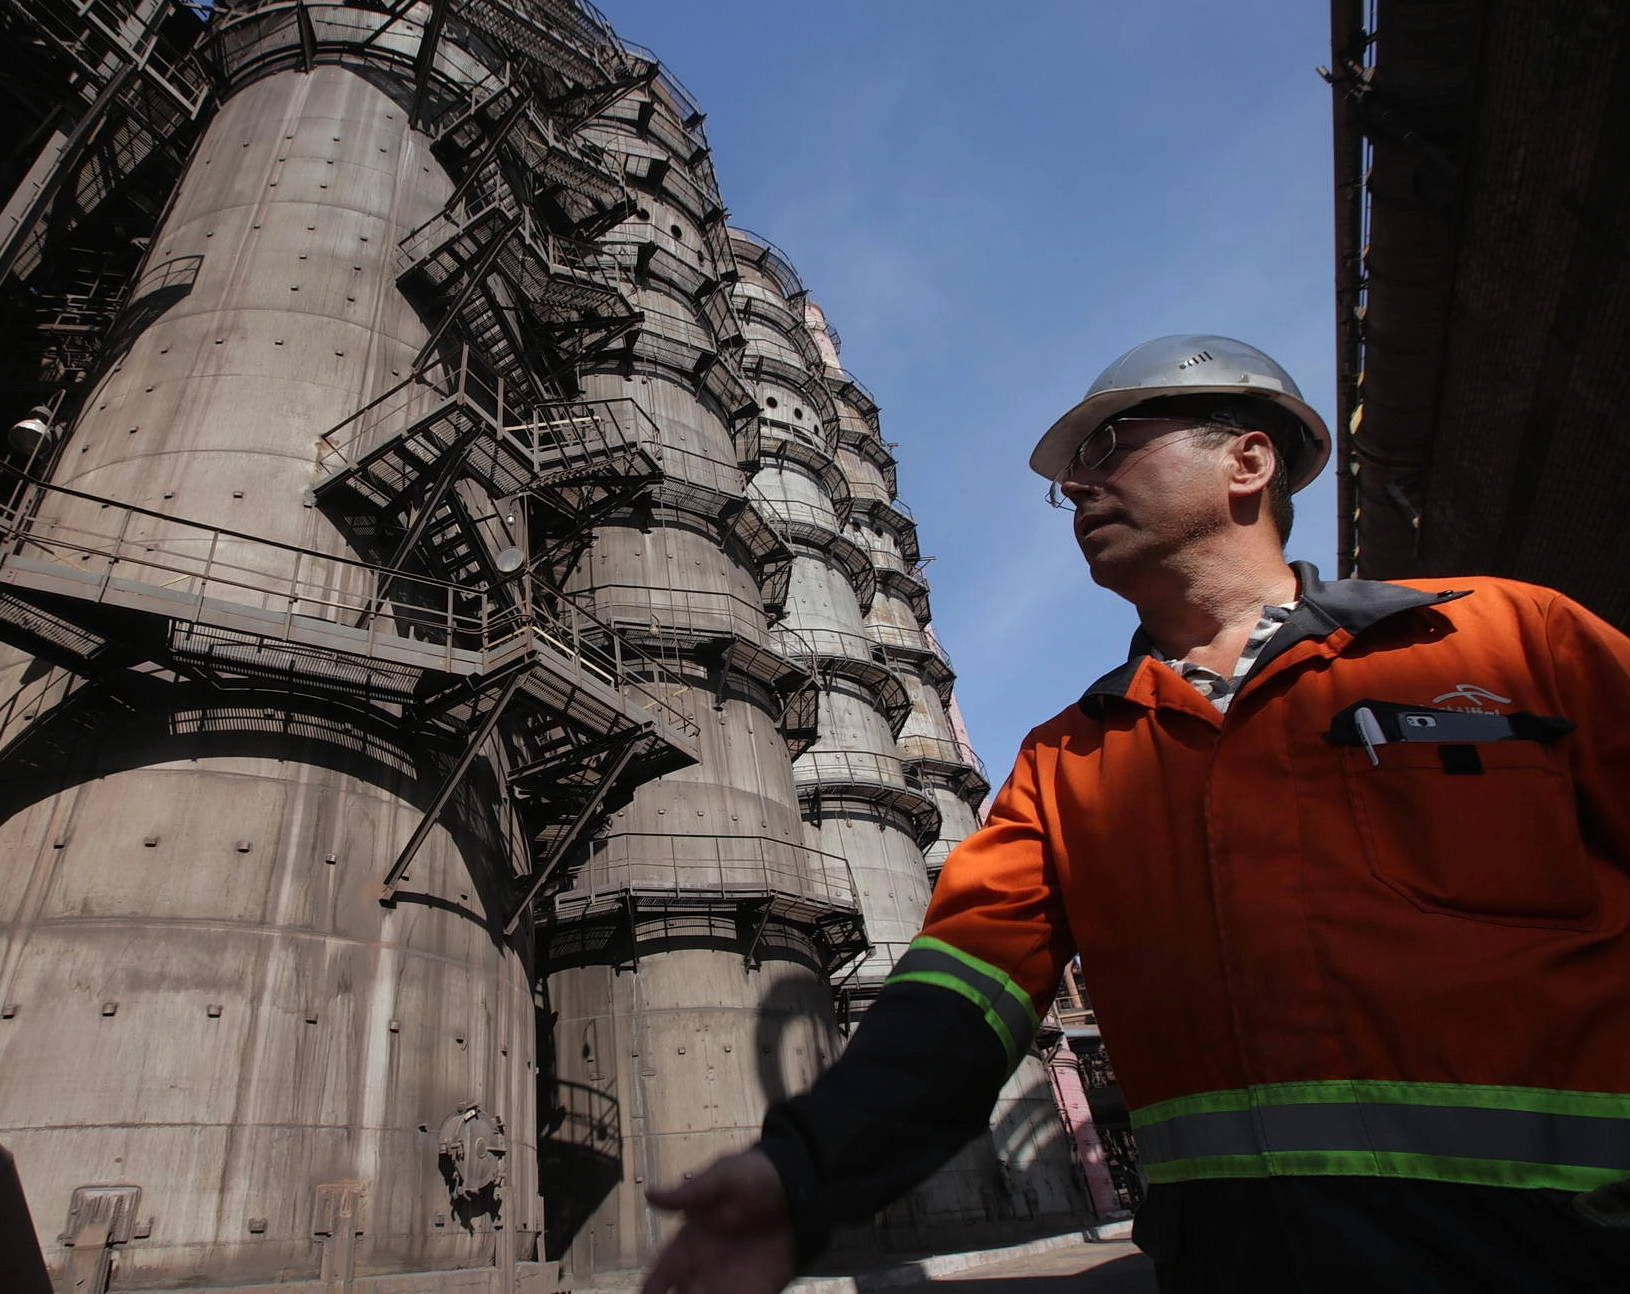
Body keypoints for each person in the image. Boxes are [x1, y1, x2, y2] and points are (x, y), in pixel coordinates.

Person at [639, 334, 1630, 1293]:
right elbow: (953, 1001)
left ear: (1246, 459)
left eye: (1108, 448)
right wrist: (799, 1170)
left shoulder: (1503, 641)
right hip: (1239, 1265)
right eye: (1069, 471)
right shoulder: (1071, 759)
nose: (1073, 487)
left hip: (1562, 1253)